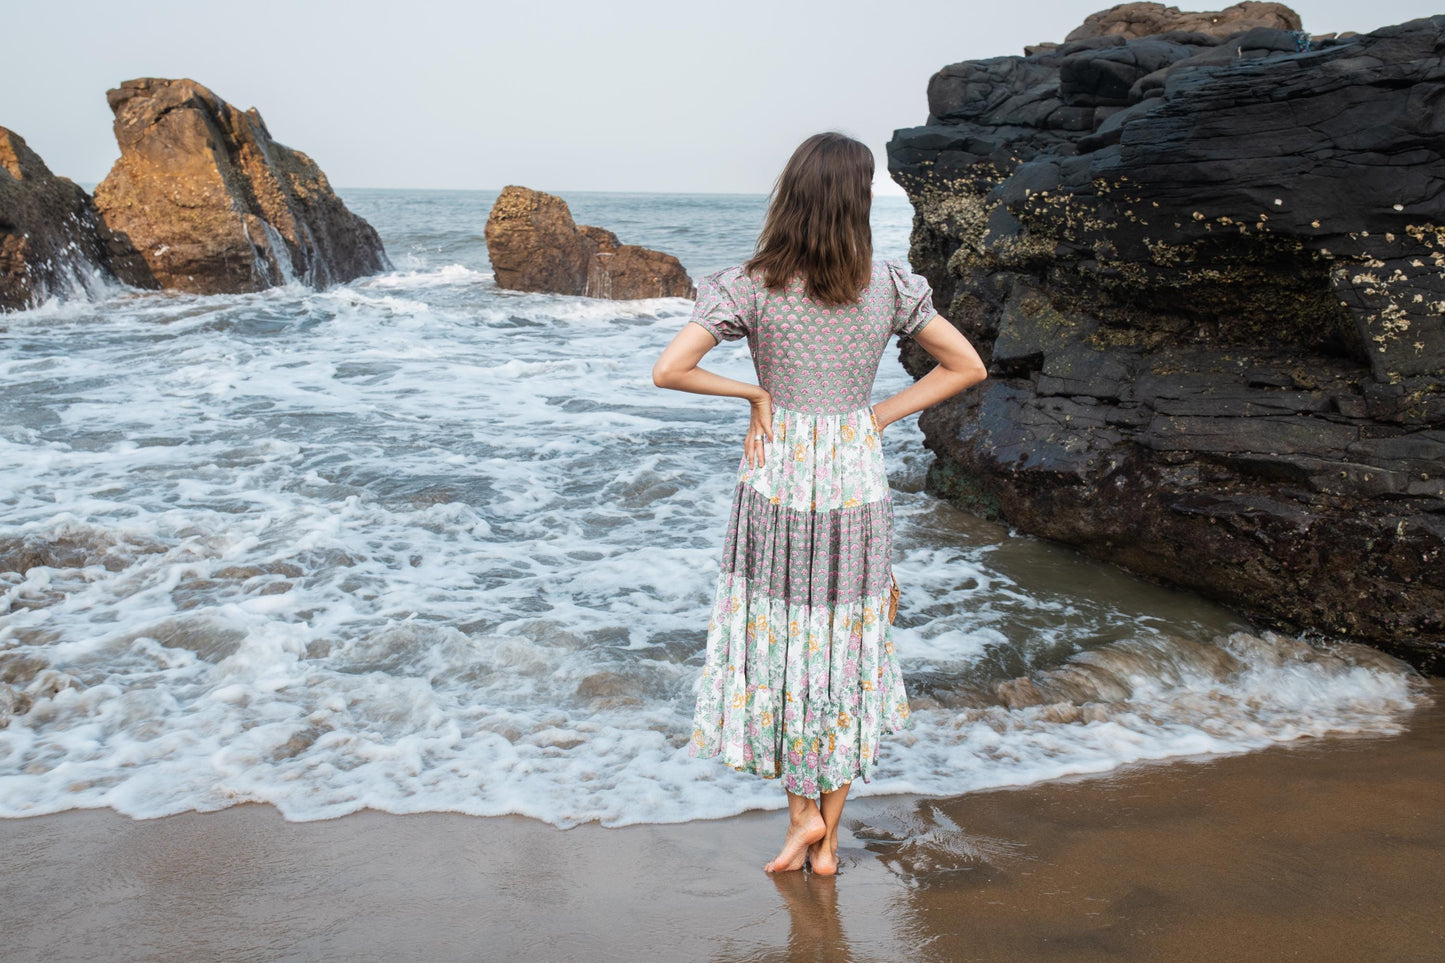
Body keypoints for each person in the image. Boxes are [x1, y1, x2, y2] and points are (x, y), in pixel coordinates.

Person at [652, 132, 988, 875]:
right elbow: (966, 364)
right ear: (858, 202)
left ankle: (801, 816)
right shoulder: (889, 285)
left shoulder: (752, 283)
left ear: (792, 195)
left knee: (779, 639)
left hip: (778, 477)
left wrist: (752, 391)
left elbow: (669, 369)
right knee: (843, 644)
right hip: (851, 475)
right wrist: (876, 416)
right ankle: (826, 840)